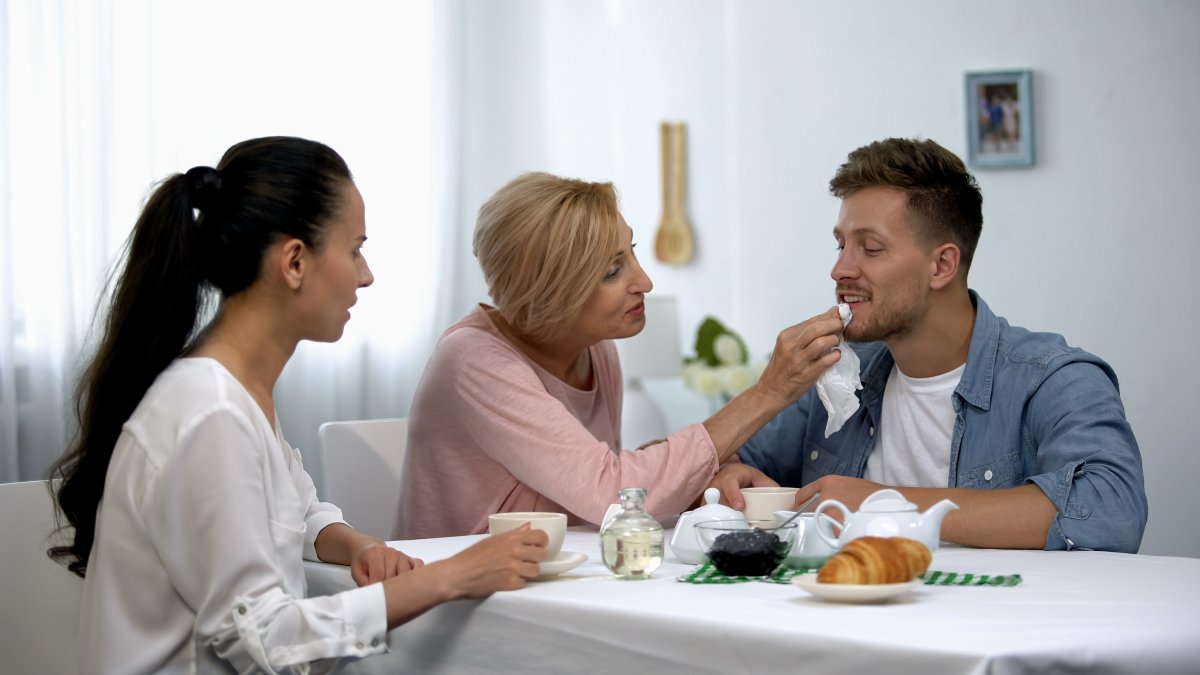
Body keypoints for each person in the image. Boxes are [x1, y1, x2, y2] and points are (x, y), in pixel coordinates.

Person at [48, 137, 548, 674]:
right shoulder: (211, 413)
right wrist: (452, 576)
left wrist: (355, 545)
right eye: (354, 249)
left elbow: (294, 511)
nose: (366, 274)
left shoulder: (234, 391)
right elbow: (264, 641)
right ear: (293, 262)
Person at [713, 138, 1147, 553]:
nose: (839, 269)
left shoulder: (1054, 379)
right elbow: (711, 464)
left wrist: (885, 504)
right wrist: (730, 474)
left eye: (871, 248)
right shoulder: (838, 378)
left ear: (942, 265)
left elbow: (1112, 508)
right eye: (841, 244)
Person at [393, 172, 842, 539]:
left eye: (632, 253)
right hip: (469, 598)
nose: (644, 281)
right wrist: (767, 393)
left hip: (554, 578)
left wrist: (707, 475)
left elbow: (593, 481)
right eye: (612, 271)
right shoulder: (474, 361)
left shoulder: (597, 351)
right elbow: (612, 493)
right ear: (548, 291)